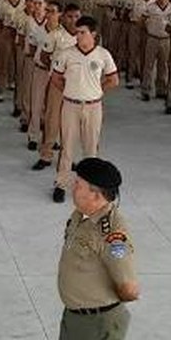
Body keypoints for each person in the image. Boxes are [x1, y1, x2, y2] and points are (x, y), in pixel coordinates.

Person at [58, 157, 139, 340]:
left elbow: (129, 288)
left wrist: (104, 308)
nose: (72, 187)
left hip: (98, 324)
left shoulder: (112, 233)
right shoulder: (80, 215)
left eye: (78, 184)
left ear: (95, 194)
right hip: (73, 318)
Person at [51, 16, 119, 203]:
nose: (78, 36)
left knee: (91, 148)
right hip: (70, 105)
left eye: (82, 32)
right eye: (77, 32)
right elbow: (56, 78)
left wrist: (97, 91)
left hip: (93, 106)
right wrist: (68, 91)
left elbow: (113, 79)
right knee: (67, 147)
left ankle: (90, 185)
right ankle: (61, 184)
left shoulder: (103, 55)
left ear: (93, 34)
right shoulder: (66, 54)